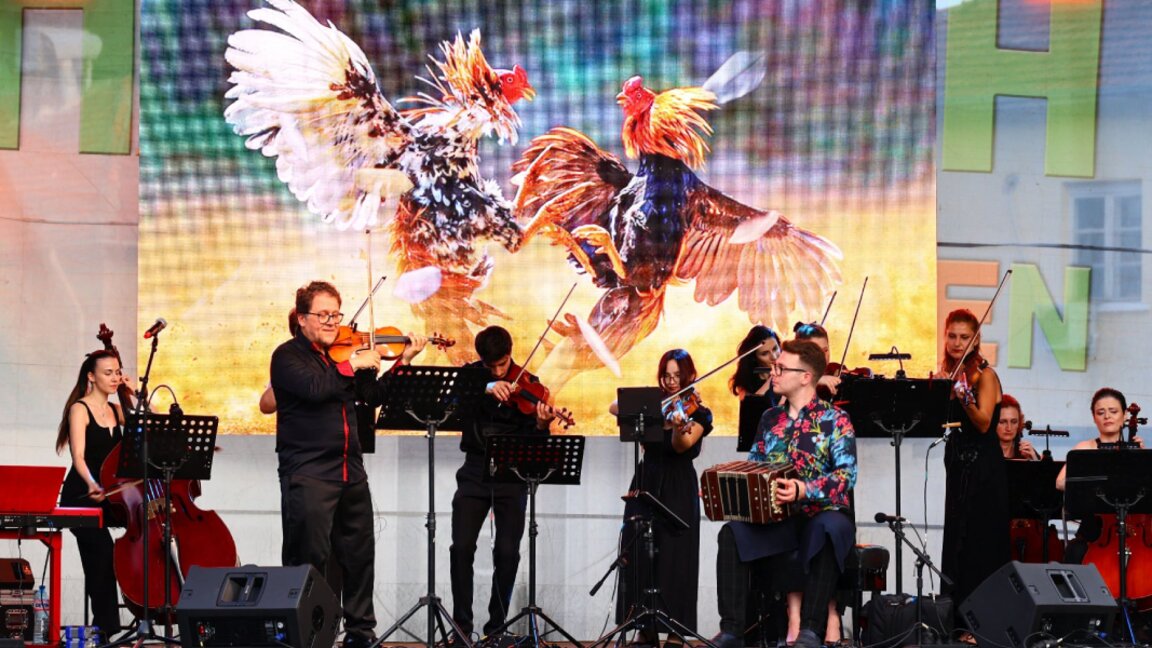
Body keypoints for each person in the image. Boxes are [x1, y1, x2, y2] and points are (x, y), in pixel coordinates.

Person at [271, 280, 426, 648]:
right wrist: (350, 365)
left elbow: (372, 396)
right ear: (302, 318)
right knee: (308, 561)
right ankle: (306, 637)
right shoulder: (287, 357)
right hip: (309, 473)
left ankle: (360, 634)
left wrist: (401, 363)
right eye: (322, 315)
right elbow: (314, 389)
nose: (331, 322)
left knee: (359, 558)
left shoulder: (342, 357)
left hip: (350, 472)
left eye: (335, 314)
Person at [713, 339, 857, 648]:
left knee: (829, 527)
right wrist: (726, 488)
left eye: (780, 368)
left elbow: (847, 476)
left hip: (822, 514)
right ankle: (732, 631)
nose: (772, 373)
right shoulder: (769, 419)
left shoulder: (835, 421)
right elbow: (754, 467)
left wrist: (804, 489)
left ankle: (810, 630)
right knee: (732, 533)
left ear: (806, 377)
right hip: (780, 519)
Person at [450, 326, 557, 640]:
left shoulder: (530, 385)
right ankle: (461, 629)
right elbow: (452, 403)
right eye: (491, 366)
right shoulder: (470, 378)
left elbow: (537, 442)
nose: (498, 370)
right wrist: (486, 386)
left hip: (512, 472)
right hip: (474, 471)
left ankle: (496, 629)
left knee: (508, 552)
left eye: (503, 364)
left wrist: (540, 424)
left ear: (511, 354)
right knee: (461, 548)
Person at [612, 349, 713, 647]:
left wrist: (680, 422)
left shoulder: (699, 413)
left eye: (677, 376)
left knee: (675, 557)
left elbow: (682, 446)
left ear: (689, 376)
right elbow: (614, 406)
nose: (671, 382)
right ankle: (645, 627)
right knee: (641, 553)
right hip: (646, 480)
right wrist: (654, 406)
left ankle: (676, 631)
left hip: (678, 484)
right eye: (666, 376)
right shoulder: (654, 405)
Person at [938, 309, 1009, 637]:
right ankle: (955, 622)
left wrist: (962, 394)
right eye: (951, 335)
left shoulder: (986, 374)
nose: (956, 342)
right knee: (957, 544)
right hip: (959, 467)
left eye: (964, 337)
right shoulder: (952, 372)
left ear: (976, 339)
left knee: (980, 546)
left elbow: (982, 423)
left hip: (983, 469)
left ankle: (981, 625)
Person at [55, 350, 126, 641]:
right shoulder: (79, 409)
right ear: (91, 376)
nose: (114, 378)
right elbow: (79, 457)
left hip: (110, 495)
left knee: (149, 540)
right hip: (82, 495)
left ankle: (155, 611)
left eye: (117, 372)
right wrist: (92, 483)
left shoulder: (118, 410)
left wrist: (133, 394)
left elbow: (150, 421)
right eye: (108, 373)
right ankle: (104, 629)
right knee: (102, 553)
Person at [1055, 388, 1145, 565]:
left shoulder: (1136, 449)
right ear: (1094, 417)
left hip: (1133, 528)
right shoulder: (1085, 448)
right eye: (1100, 412)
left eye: (1113, 411)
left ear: (1126, 415)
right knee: (1075, 551)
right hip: (1095, 530)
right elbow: (1060, 482)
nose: (1107, 417)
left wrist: (1140, 456)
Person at [729, 326, 782, 401]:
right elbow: (752, 408)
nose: (773, 357)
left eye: (775, 349)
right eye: (764, 353)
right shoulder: (747, 382)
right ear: (754, 358)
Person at [792, 322, 843, 400]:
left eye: (825, 350)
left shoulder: (836, 370)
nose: (823, 357)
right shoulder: (789, 375)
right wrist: (816, 379)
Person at [997, 394, 1038, 460]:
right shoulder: (983, 453)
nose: (1009, 428)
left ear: (1019, 423)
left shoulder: (1027, 451)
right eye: (1002, 422)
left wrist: (1035, 461)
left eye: (1014, 422)